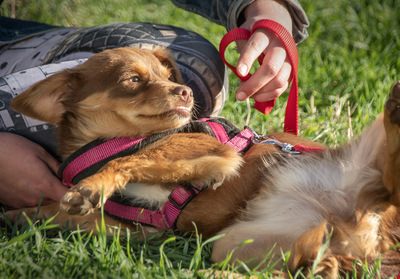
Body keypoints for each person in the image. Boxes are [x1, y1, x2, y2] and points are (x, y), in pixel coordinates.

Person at [0, 0, 309, 208]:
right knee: (76, 143)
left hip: (17, 37)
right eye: (135, 81)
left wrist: (266, 8)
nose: (180, 89)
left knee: (197, 67)